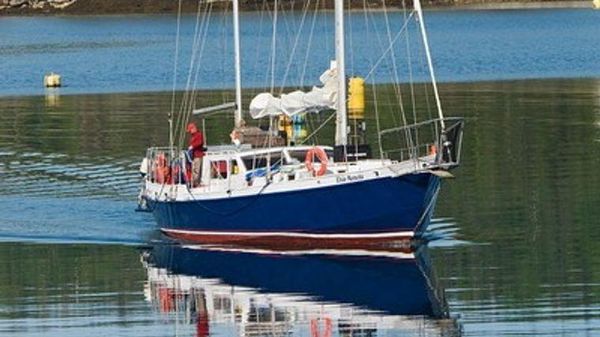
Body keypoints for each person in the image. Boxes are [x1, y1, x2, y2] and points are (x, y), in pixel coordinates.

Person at [187, 122, 205, 187]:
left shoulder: (198, 135)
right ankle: (195, 182)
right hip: (194, 155)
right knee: (195, 169)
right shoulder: (193, 136)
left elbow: (200, 142)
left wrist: (192, 146)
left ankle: (196, 183)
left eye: (190, 130)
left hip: (198, 155)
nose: (190, 132)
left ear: (193, 128)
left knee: (197, 170)